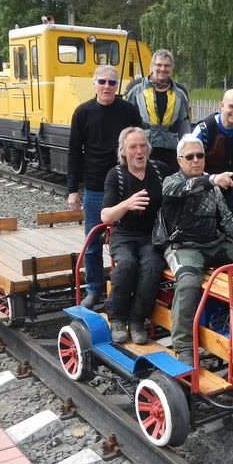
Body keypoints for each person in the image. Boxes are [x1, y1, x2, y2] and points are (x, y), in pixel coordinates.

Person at [155, 135, 233, 365]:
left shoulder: (211, 184)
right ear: (179, 161)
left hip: (214, 243)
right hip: (183, 246)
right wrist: (213, 179)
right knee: (188, 284)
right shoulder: (171, 182)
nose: (196, 160)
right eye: (190, 156)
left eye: (200, 155)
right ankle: (183, 345)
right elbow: (186, 188)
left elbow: (225, 218)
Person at [67, 65, 143, 310]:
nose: (107, 87)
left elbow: (140, 147)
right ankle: (94, 289)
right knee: (93, 241)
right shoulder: (82, 113)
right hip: (96, 187)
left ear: (117, 86)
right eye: (102, 82)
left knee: (134, 238)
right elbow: (74, 153)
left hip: (126, 186)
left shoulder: (129, 111)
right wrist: (72, 189)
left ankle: (132, 286)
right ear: (94, 84)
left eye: (112, 83)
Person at [100, 127, 166, 344]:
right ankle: (117, 317)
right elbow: (106, 216)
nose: (139, 151)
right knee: (127, 265)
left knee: (152, 267)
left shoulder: (160, 170)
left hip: (152, 236)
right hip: (124, 234)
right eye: (133, 147)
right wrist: (127, 204)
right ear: (124, 152)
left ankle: (137, 320)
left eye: (142, 146)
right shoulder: (115, 175)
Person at [124, 49, 191, 175]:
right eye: (159, 65)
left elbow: (184, 124)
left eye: (167, 65)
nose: (162, 68)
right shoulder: (135, 88)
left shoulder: (180, 92)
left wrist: (186, 151)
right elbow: (125, 121)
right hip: (143, 149)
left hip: (170, 151)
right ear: (152, 66)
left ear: (171, 68)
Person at [192, 89, 233, 175]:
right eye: (232, 106)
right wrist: (210, 180)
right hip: (209, 182)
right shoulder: (203, 130)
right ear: (222, 105)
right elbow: (189, 164)